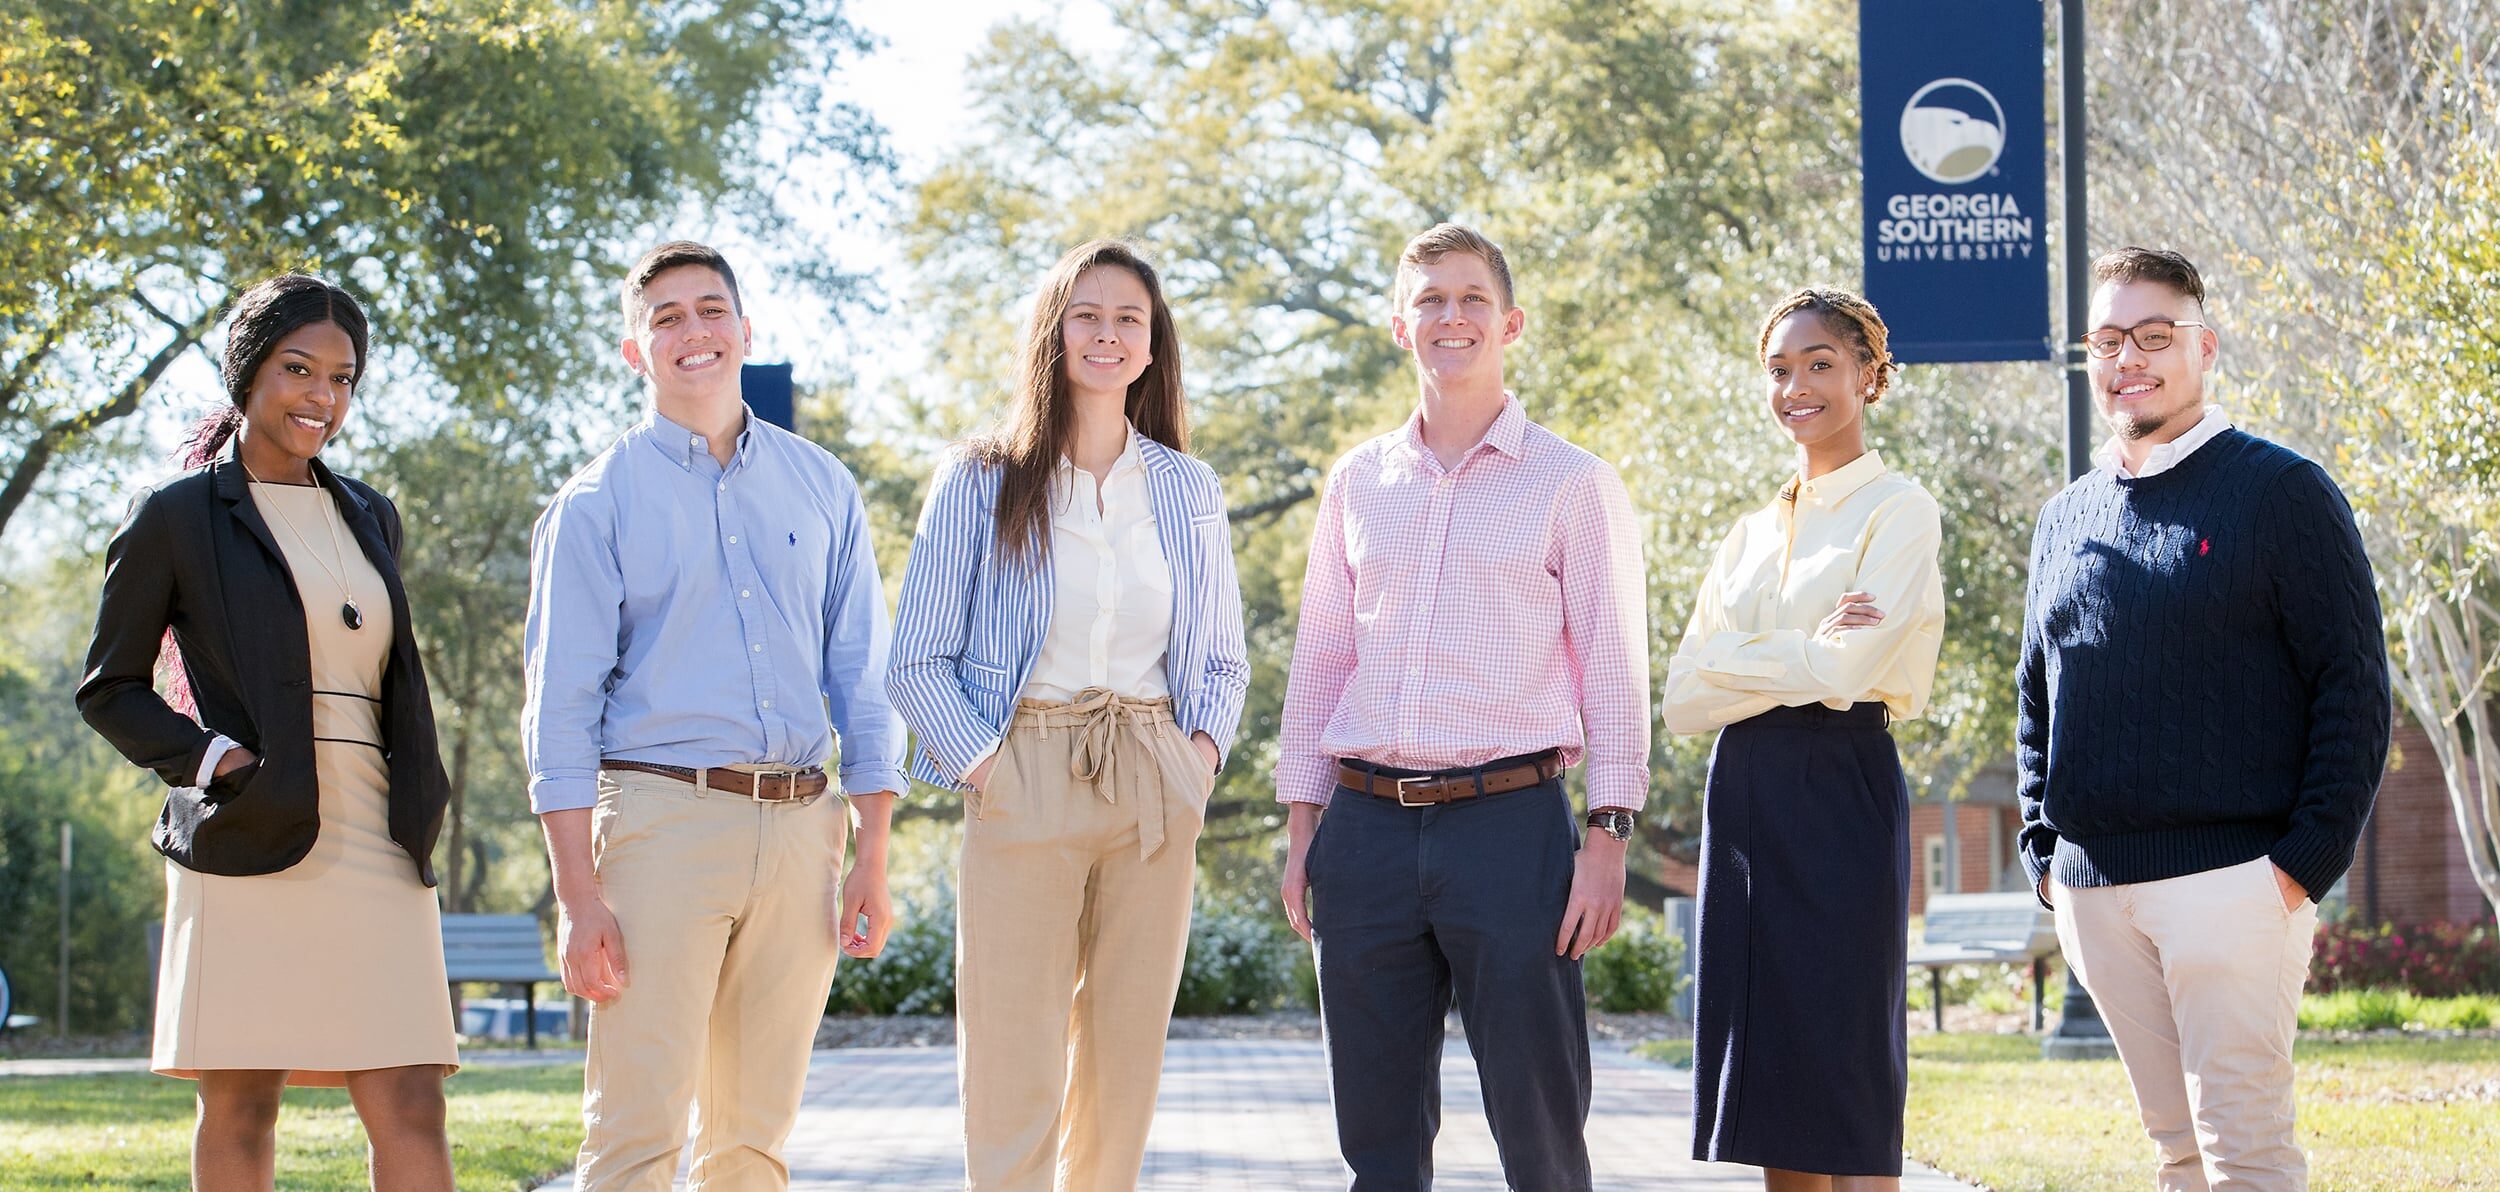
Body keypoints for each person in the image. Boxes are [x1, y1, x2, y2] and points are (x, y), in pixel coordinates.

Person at [521, 240, 909, 1191]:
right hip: (661, 826)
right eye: (666, 318)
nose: (693, 331)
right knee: (636, 1135)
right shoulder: (593, 505)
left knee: (753, 1144)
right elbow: (560, 708)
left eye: (709, 310)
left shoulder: (823, 486)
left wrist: (871, 853)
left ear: (745, 329)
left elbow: (864, 674)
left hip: (803, 832)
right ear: (634, 351)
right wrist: (578, 896)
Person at [1274, 223, 1650, 1191]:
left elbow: (1613, 665)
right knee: (1379, 1142)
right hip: (1363, 830)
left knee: (1540, 1133)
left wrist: (1607, 833)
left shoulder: (1570, 481)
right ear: (1400, 325)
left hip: (1511, 829)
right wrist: (1303, 822)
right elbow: (1321, 657)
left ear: (1509, 322)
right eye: (1430, 299)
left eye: (1471, 298)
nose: (1452, 316)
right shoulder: (1358, 481)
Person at [76, 274, 459, 1191]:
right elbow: (109, 689)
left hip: (380, 828)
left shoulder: (371, 513)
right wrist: (217, 759)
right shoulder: (175, 516)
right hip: (250, 831)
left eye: (342, 377)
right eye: (299, 369)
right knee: (243, 1100)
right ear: (248, 371)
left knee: (411, 1096)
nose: (321, 397)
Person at [2018, 247, 2388, 1190]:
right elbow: (2035, 697)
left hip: (2236, 885)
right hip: (2098, 895)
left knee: (2245, 1154)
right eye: (2108, 341)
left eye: (2154, 336)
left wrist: (2301, 866)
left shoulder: (2282, 493)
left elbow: (2353, 690)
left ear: (2206, 347)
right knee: (2176, 1156)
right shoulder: (2066, 517)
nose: (2129, 358)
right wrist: (2044, 853)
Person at [886, 239, 1248, 1191]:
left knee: (1125, 1057)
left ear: (1152, 342)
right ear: (1054, 332)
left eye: (1129, 318)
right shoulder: (981, 478)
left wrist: (1196, 762)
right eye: (1086, 314)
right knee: (1013, 1053)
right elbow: (916, 658)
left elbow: (1220, 657)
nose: (1108, 334)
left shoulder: (1187, 488)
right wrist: (989, 770)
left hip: (1153, 773)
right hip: (1022, 767)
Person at [1661, 288, 1946, 1189]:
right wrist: (1802, 649)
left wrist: (1739, 661)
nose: (1797, 386)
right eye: (1780, 370)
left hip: (1842, 783)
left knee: (1845, 1054)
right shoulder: (1745, 534)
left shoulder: (1899, 509)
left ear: (1869, 372)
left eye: (1820, 363)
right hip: (1744, 792)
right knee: (1773, 1075)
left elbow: (1848, 675)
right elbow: (1680, 696)